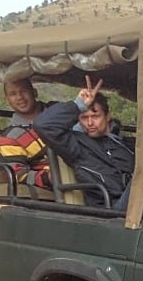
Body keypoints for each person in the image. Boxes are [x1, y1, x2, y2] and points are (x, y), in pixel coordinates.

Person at [33, 76, 134, 209]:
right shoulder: (77, 145)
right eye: (84, 118)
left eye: (95, 116)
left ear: (108, 116)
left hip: (134, 200)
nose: (90, 123)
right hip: (110, 207)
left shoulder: (124, 143)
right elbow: (43, 125)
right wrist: (79, 105)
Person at [0, 78, 52, 189]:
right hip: (57, 182)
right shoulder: (10, 138)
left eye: (24, 91)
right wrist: (48, 178)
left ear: (34, 92)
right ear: (7, 100)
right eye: (13, 94)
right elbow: (18, 174)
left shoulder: (57, 111)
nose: (20, 97)